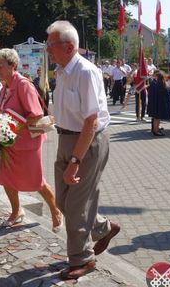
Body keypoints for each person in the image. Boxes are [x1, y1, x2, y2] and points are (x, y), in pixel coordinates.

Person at [46, 20, 119, 280]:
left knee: (76, 205)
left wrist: (76, 160)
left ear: (68, 47)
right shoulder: (62, 70)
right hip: (67, 138)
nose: (47, 49)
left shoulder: (86, 72)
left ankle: (83, 259)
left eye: (50, 44)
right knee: (63, 200)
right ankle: (103, 228)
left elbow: (91, 121)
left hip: (87, 143)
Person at [0, 48, 62, 233]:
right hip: (8, 143)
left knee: (36, 181)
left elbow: (36, 114)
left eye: (0, 66)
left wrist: (11, 126)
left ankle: (55, 211)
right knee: (6, 179)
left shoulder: (23, 85)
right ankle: (16, 211)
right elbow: (2, 113)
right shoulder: (5, 87)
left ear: (12, 66)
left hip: (27, 143)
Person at [147, 71, 170, 136]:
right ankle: (156, 131)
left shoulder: (156, 84)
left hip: (156, 103)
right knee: (157, 118)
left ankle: (156, 129)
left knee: (156, 118)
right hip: (159, 103)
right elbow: (167, 94)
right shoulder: (161, 84)